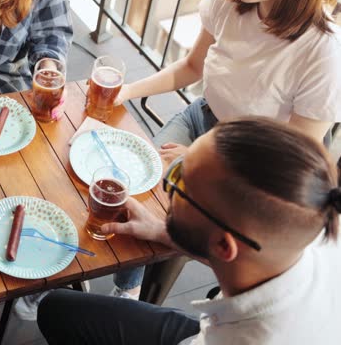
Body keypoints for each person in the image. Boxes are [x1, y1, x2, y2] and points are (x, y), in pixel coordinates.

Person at [100, 0, 341, 299]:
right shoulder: (233, 2)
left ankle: (143, 298)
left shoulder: (323, 54)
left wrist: (199, 163)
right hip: (203, 117)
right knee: (135, 181)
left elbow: (291, 165)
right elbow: (190, 68)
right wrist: (124, 91)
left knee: (177, 211)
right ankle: (130, 282)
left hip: (255, 170)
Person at [37, 117, 341, 345]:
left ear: (224, 246)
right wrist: (160, 229)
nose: (167, 185)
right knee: (56, 309)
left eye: (179, 184)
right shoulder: (311, 214)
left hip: (222, 330)